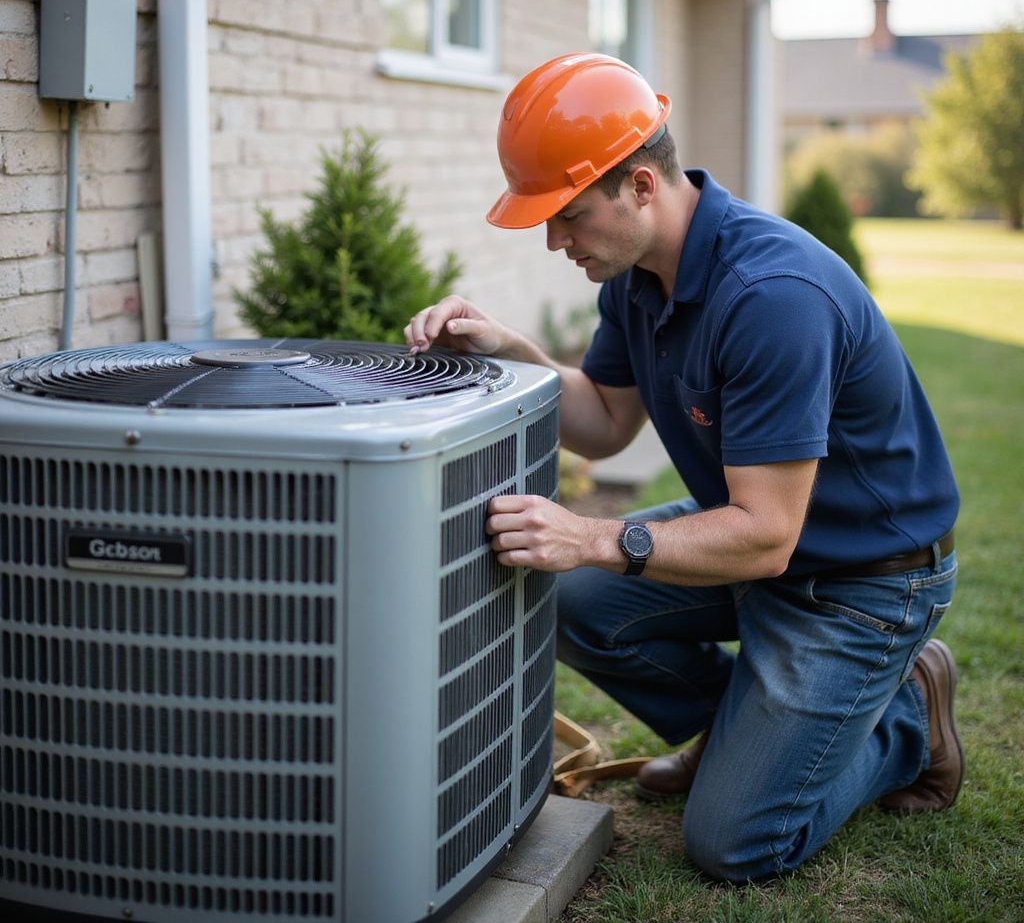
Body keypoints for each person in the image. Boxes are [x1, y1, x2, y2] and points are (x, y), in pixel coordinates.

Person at [404, 53, 962, 882]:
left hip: (858, 583)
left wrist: (590, 534)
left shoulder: (773, 296)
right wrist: (508, 351)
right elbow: (603, 423)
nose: (555, 239)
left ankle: (908, 717)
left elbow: (767, 537)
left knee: (735, 845)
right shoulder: (636, 278)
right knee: (562, 598)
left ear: (639, 185)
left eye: (568, 214)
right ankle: (747, 734)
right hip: (756, 548)